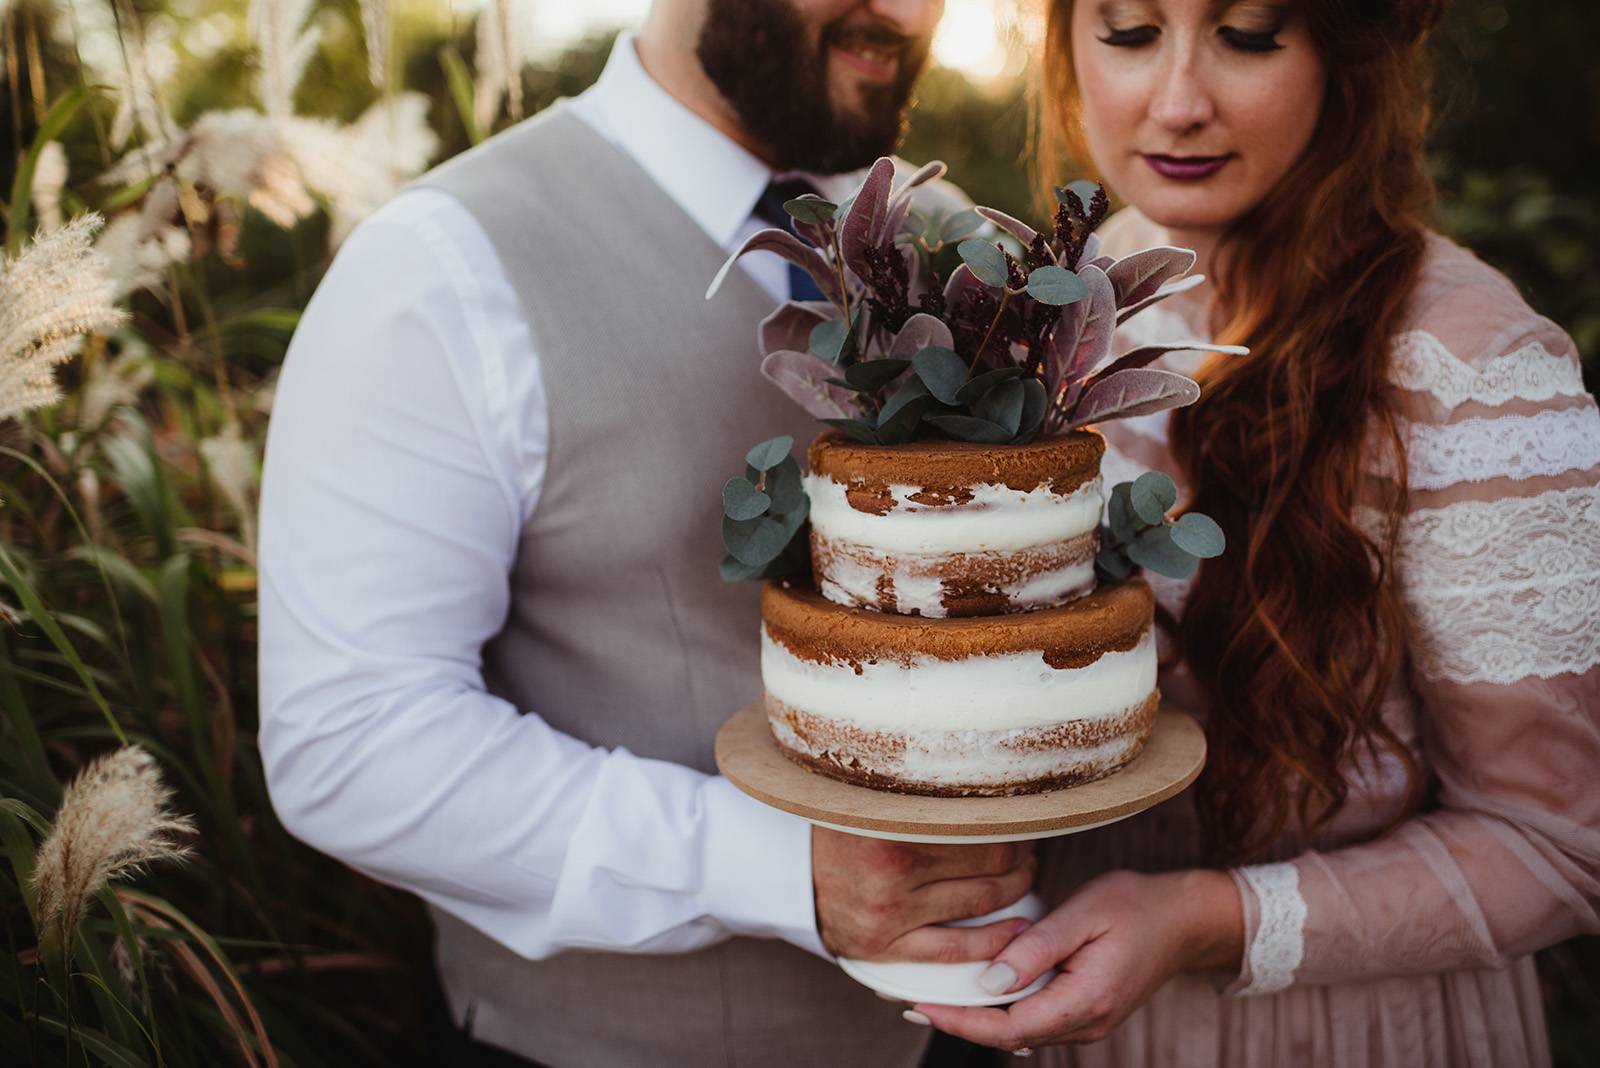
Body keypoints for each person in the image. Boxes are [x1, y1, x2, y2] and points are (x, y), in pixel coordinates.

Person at [257, 1, 1035, 1066]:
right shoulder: (439, 268)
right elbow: (350, 744)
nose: (902, 11)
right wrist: (774, 865)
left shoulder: (951, 247)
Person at [905, 0, 1600, 1064]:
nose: (1177, 104)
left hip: (1341, 1025)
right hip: (1067, 1010)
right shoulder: (1051, 316)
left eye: (1249, 34)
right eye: (1130, 34)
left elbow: (1556, 847)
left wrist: (1201, 917)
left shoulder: (1470, 366)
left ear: (1346, 55)